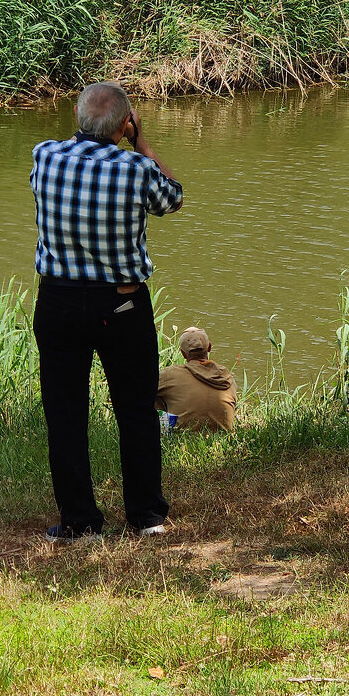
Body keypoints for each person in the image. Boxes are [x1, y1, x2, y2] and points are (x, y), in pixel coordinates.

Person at [31, 81, 182, 542]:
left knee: (65, 412)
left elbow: (69, 148)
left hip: (57, 301)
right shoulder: (136, 168)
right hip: (120, 304)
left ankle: (79, 521)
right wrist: (141, 141)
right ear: (123, 125)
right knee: (135, 408)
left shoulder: (44, 156)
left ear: (78, 119)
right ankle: (146, 515)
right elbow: (173, 197)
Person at [156, 327, 237, 431]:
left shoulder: (169, 374)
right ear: (209, 347)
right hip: (223, 438)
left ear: (183, 353)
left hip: (184, 438)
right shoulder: (227, 377)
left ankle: (164, 431)